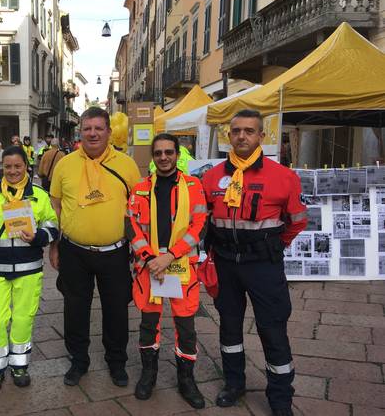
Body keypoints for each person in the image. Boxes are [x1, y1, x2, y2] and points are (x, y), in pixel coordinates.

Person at [202, 109, 307, 416]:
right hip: (225, 264)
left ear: (262, 136)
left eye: (249, 131)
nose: (242, 136)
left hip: (263, 266)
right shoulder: (211, 176)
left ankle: (280, 397)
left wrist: (274, 246)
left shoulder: (283, 177)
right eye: (236, 131)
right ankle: (234, 384)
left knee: (272, 329)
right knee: (229, 328)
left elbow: (297, 222)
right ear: (228, 136)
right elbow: (203, 217)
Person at [49, 107, 141, 387]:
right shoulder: (65, 164)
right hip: (74, 251)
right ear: (80, 132)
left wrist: (138, 248)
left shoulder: (127, 164)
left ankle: (117, 362)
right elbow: (55, 206)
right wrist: (55, 245)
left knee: (116, 310)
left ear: (109, 132)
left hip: (115, 252)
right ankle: (79, 361)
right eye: (87, 128)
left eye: (98, 128)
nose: (92, 133)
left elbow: (138, 209)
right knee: (75, 309)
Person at [0, 146, 58, 393]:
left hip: (29, 268)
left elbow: (53, 226)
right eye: (8, 166)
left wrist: (38, 236)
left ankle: (19, 366)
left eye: (18, 166)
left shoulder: (39, 195)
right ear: (0, 167)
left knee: (22, 319)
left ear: (26, 166)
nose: (13, 171)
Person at [126, 133, 208, 407]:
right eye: (158, 152)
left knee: (186, 326)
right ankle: (148, 374)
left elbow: (200, 226)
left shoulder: (194, 186)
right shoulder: (139, 189)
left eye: (168, 152)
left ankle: (186, 380)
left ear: (177, 154)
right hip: (150, 268)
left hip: (181, 267)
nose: (163, 157)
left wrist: (170, 255)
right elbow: (132, 227)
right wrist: (151, 257)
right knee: (149, 324)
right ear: (153, 156)